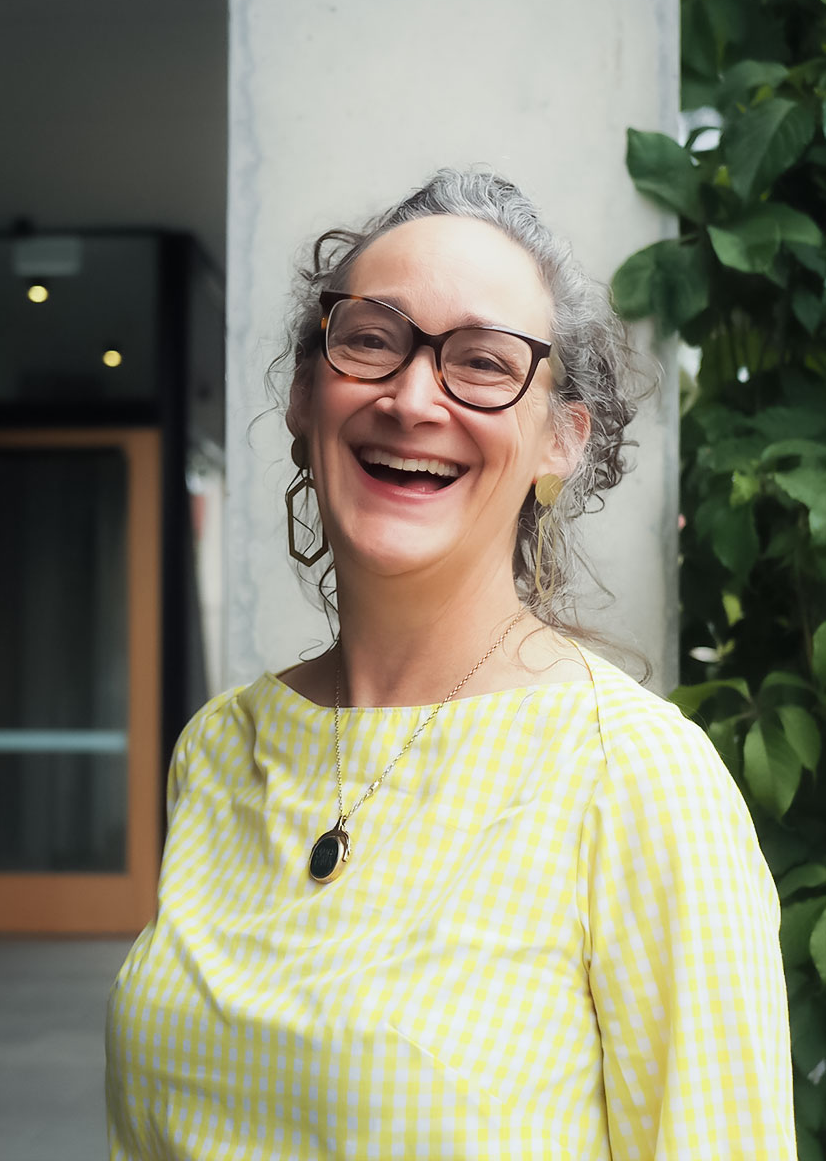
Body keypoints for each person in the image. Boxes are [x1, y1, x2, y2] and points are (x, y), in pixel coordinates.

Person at [105, 169, 795, 1159]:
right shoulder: (219, 747)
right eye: (371, 340)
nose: (410, 396)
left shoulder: (634, 778)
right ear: (306, 395)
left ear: (559, 440)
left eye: (481, 363)